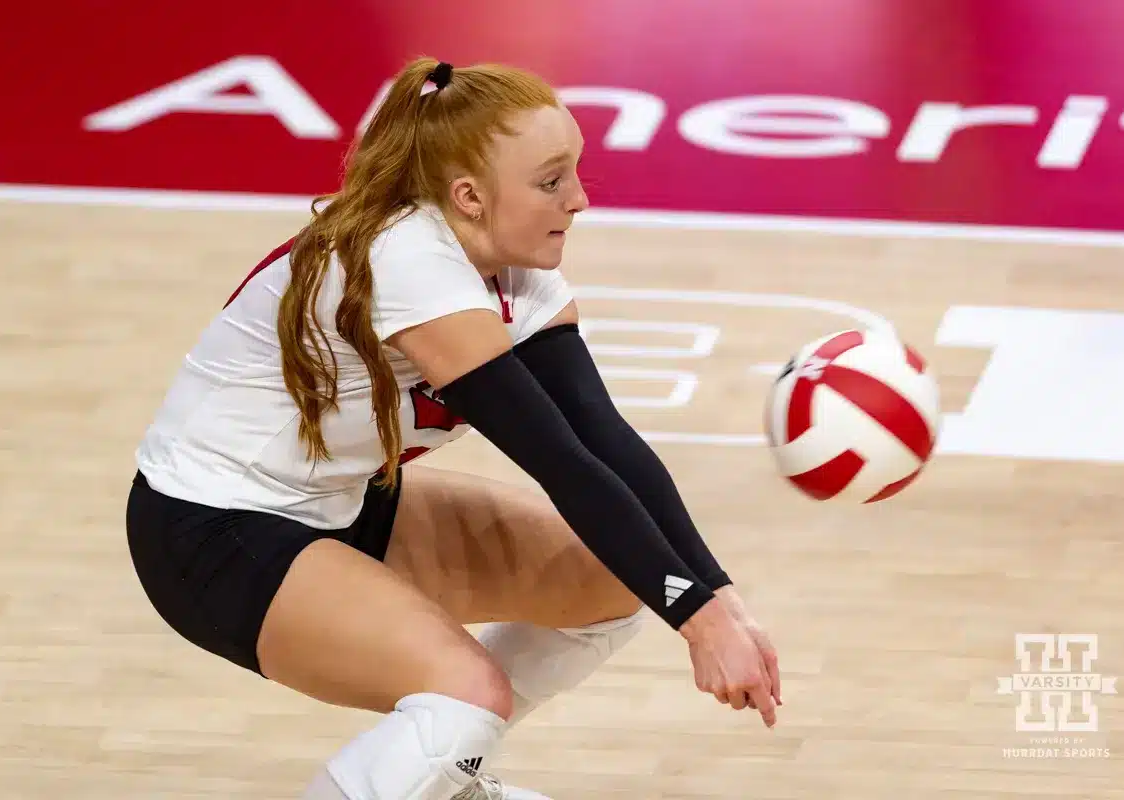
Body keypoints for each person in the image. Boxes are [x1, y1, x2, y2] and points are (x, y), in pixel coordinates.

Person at [124, 57, 782, 800]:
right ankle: (437, 758)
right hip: (212, 528)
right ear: (468, 196)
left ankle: (439, 776)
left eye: (575, 173)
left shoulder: (515, 271)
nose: (581, 199)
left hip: (344, 503)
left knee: (607, 579)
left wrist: (716, 597)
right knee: (470, 692)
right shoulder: (406, 259)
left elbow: (608, 445)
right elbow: (558, 461)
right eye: (551, 181)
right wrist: (695, 621)